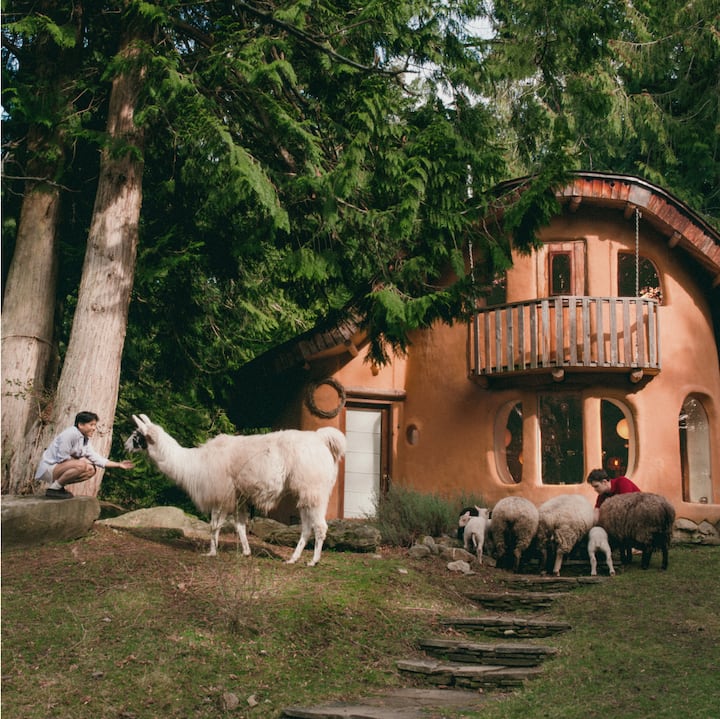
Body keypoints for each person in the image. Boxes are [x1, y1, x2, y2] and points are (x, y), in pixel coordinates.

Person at [35, 411, 134, 499]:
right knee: (82, 465)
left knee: (91, 469)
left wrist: (119, 464)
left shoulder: (84, 439)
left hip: (59, 469)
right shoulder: (70, 434)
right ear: (81, 424)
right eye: (91, 425)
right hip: (49, 468)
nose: (94, 428)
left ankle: (58, 486)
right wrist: (81, 461)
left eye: (95, 425)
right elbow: (62, 458)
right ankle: (54, 489)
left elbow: (96, 458)